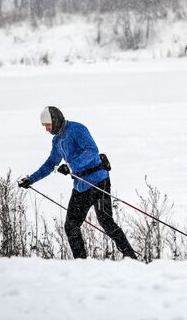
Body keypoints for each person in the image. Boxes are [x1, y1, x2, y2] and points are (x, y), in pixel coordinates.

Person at [18, 106, 137, 260]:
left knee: (106, 222)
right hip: (81, 187)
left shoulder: (76, 129)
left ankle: (131, 258)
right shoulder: (57, 140)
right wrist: (31, 179)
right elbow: (50, 163)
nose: (46, 129)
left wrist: (71, 165)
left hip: (98, 182)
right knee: (71, 226)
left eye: (47, 125)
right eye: (45, 126)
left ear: (56, 120)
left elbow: (91, 150)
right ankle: (81, 263)